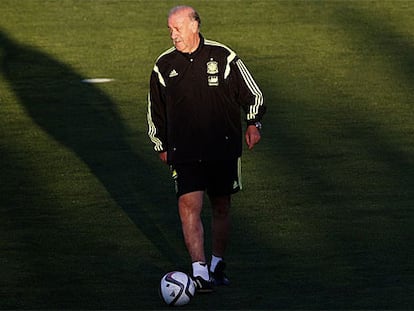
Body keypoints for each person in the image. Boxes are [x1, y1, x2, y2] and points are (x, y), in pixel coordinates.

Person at [147, 5, 266, 292]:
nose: (173, 35)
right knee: (189, 205)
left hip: (222, 147)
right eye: (170, 29)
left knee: (221, 205)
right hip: (185, 150)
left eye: (177, 28)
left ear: (194, 26)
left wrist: (253, 124)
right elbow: (155, 110)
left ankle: (217, 265)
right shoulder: (163, 65)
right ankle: (199, 271)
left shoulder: (223, 57)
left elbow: (254, 94)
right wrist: (160, 143)